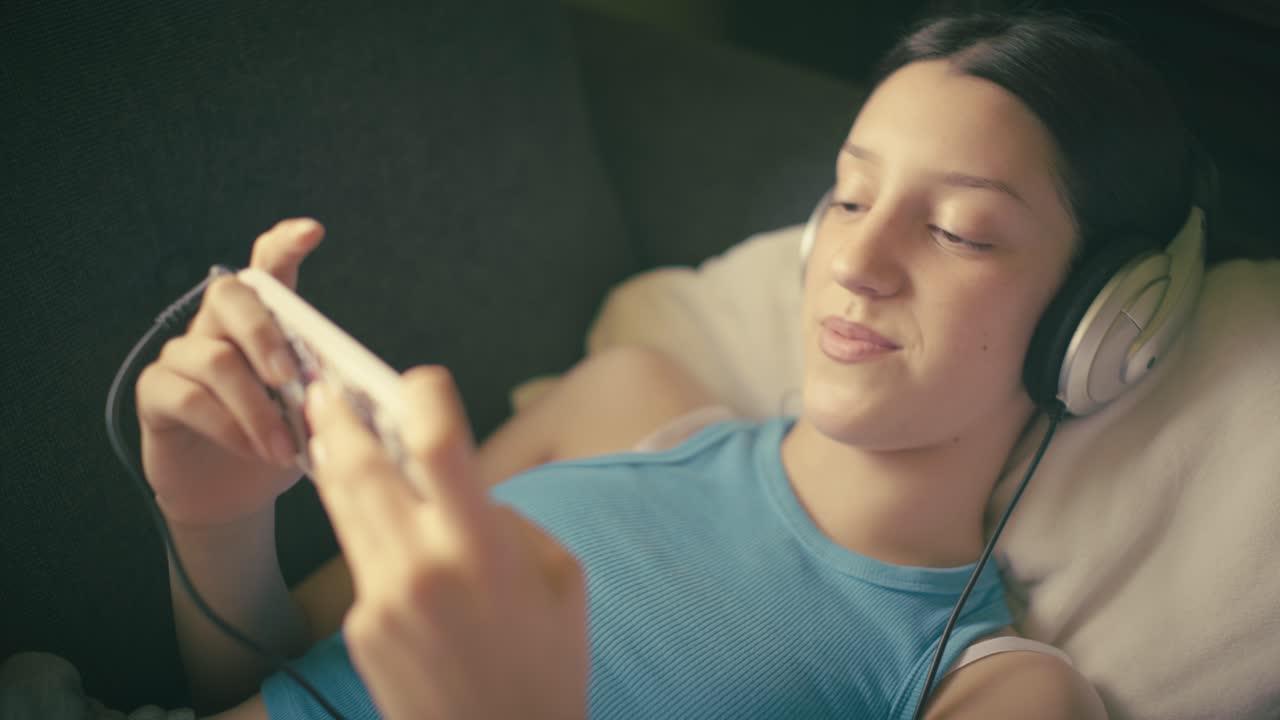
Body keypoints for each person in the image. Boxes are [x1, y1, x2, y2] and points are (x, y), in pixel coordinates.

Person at [135, 9, 1205, 719]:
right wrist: (218, 522)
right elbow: (264, 681)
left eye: (960, 230)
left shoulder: (991, 694)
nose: (857, 262)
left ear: (1096, 325)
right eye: (847, 194)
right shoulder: (625, 401)